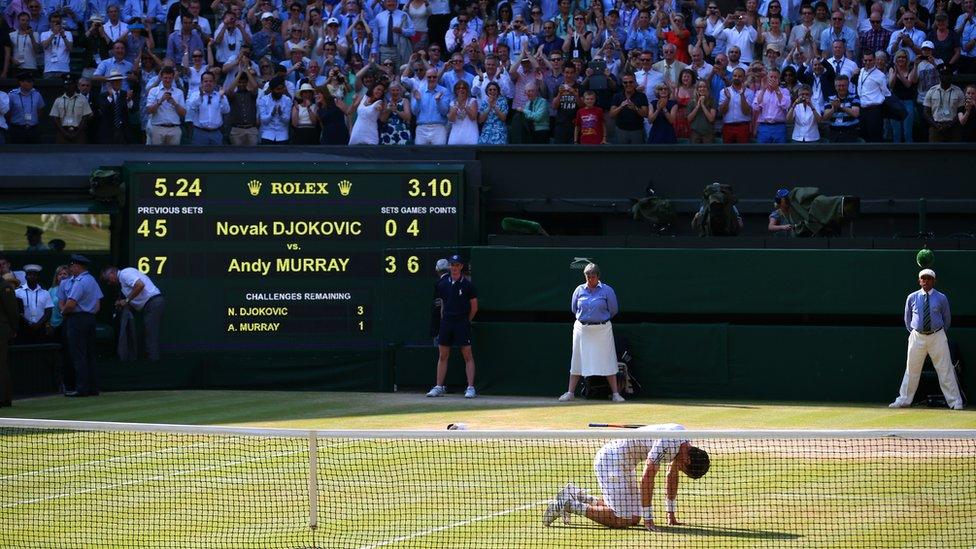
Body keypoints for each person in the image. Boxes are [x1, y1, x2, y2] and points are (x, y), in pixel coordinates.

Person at [542, 423, 711, 530]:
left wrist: (671, 514)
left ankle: (580, 496)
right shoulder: (667, 443)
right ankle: (568, 504)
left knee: (633, 517)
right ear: (688, 458)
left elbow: (671, 477)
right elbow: (647, 479)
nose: (679, 469)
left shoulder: (683, 443)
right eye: (684, 469)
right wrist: (649, 518)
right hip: (611, 461)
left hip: (625, 465)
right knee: (621, 519)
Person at [889, 269, 964, 410]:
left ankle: (955, 402)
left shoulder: (941, 298)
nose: (926, 281)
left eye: (929, 278)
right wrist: (916, 332)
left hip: (937, 336)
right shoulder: (912, 297)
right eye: (923, 278)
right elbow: (907, 319)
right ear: (919, 281)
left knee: (945, 369)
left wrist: (937, 332)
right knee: (911, 369)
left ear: (934, 281)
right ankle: (904, 400)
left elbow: (947, 319)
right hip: (917, 336)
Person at [558, 262, 623, 402]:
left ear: (598, 276)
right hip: (582, 330)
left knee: (608, 360)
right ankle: (570, 393)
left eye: (593, 276)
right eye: (587, 276)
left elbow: (613, 310)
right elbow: (574, 309)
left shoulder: (607, 290)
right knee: (577, 360)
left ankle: (616, 394)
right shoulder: (579, 290)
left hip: (602, 330)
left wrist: (598, 320)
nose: (590, 279)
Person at [426, 254, 478, 399]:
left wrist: (466, 320)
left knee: (467, 355)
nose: (454, 268)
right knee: (443, 355)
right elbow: (442, 303)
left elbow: (474, 307)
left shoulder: (468, 285)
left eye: (456, 265)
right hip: (446, 323)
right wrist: (444, 318)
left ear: (461, 267)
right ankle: (439, 387)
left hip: (462, 323)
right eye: (452, 265)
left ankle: (470, 387)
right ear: (449, 267)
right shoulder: (442, 284)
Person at [59, 254, 103, 398]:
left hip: (76, 319)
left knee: (79, 355)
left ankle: (82, 388)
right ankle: (93, 388)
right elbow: (97, 306)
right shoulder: (92, 280)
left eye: (72, 266)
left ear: (77, 266)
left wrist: (63, 312)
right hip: (90, 319)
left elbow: (70, 304)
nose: (71, 268)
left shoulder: (79, 282)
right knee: (90, 354)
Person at [100, 265, 164, 361]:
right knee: (148, 333)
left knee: (150, 334)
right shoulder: (122, 282)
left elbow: (140, 285)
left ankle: (153, 364)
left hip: (153, 303)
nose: (109, 283)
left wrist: (126, 300)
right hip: (150, 304)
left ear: (112, 273)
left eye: (108, 279)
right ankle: (152, 360)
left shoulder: (125, 273)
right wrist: (123, 303)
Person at [923, 63, 964, 141]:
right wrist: (935, 124)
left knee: (954, 152)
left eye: (948, 74)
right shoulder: (932, 91)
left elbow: (961, 111)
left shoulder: (958, 91)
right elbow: (926, 111)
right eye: (943, 74)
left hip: (953, 127)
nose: (945, 77)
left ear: (951, 76)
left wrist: (950, 125)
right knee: (934, 152)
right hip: (935, 127)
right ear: (939, 76)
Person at [14, 264, 52, 344]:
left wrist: (38, 324)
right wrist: (27, 323)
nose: (32, 276)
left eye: (35, 275)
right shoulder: (17, 292)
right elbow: (16, 311)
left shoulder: (45, 293)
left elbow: (48, 311)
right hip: (23, 328)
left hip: (41, 328)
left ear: (38, 277)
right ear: (25, 277)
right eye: (29, 274)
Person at [823, 74, 861, 142]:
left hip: (850, 133)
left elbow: (855, 114)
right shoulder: (830, 98)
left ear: (848, 85)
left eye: (843, 85)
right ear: (835, 86)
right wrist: (833, 109)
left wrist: (841, 106)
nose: (841, 88)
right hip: (834, 133)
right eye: (839, 86)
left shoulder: (854, 97)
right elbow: (825, 117)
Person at [0, 272, 18, 407]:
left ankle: (4, 398)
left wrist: (14, 328)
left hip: (2, 329)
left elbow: (12, 310)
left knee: (1, 364)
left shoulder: (5, 286)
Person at [447, 79, 479, 144]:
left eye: (463, 88)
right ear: (455, 91)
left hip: (470, 135)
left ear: (467, 90)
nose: (461, 90)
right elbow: (451, 119)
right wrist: (457, 105)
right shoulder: (452, 103)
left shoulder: (473, 101)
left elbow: (473, 117)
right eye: (458, 88)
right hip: (455, 135)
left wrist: (464, 105)